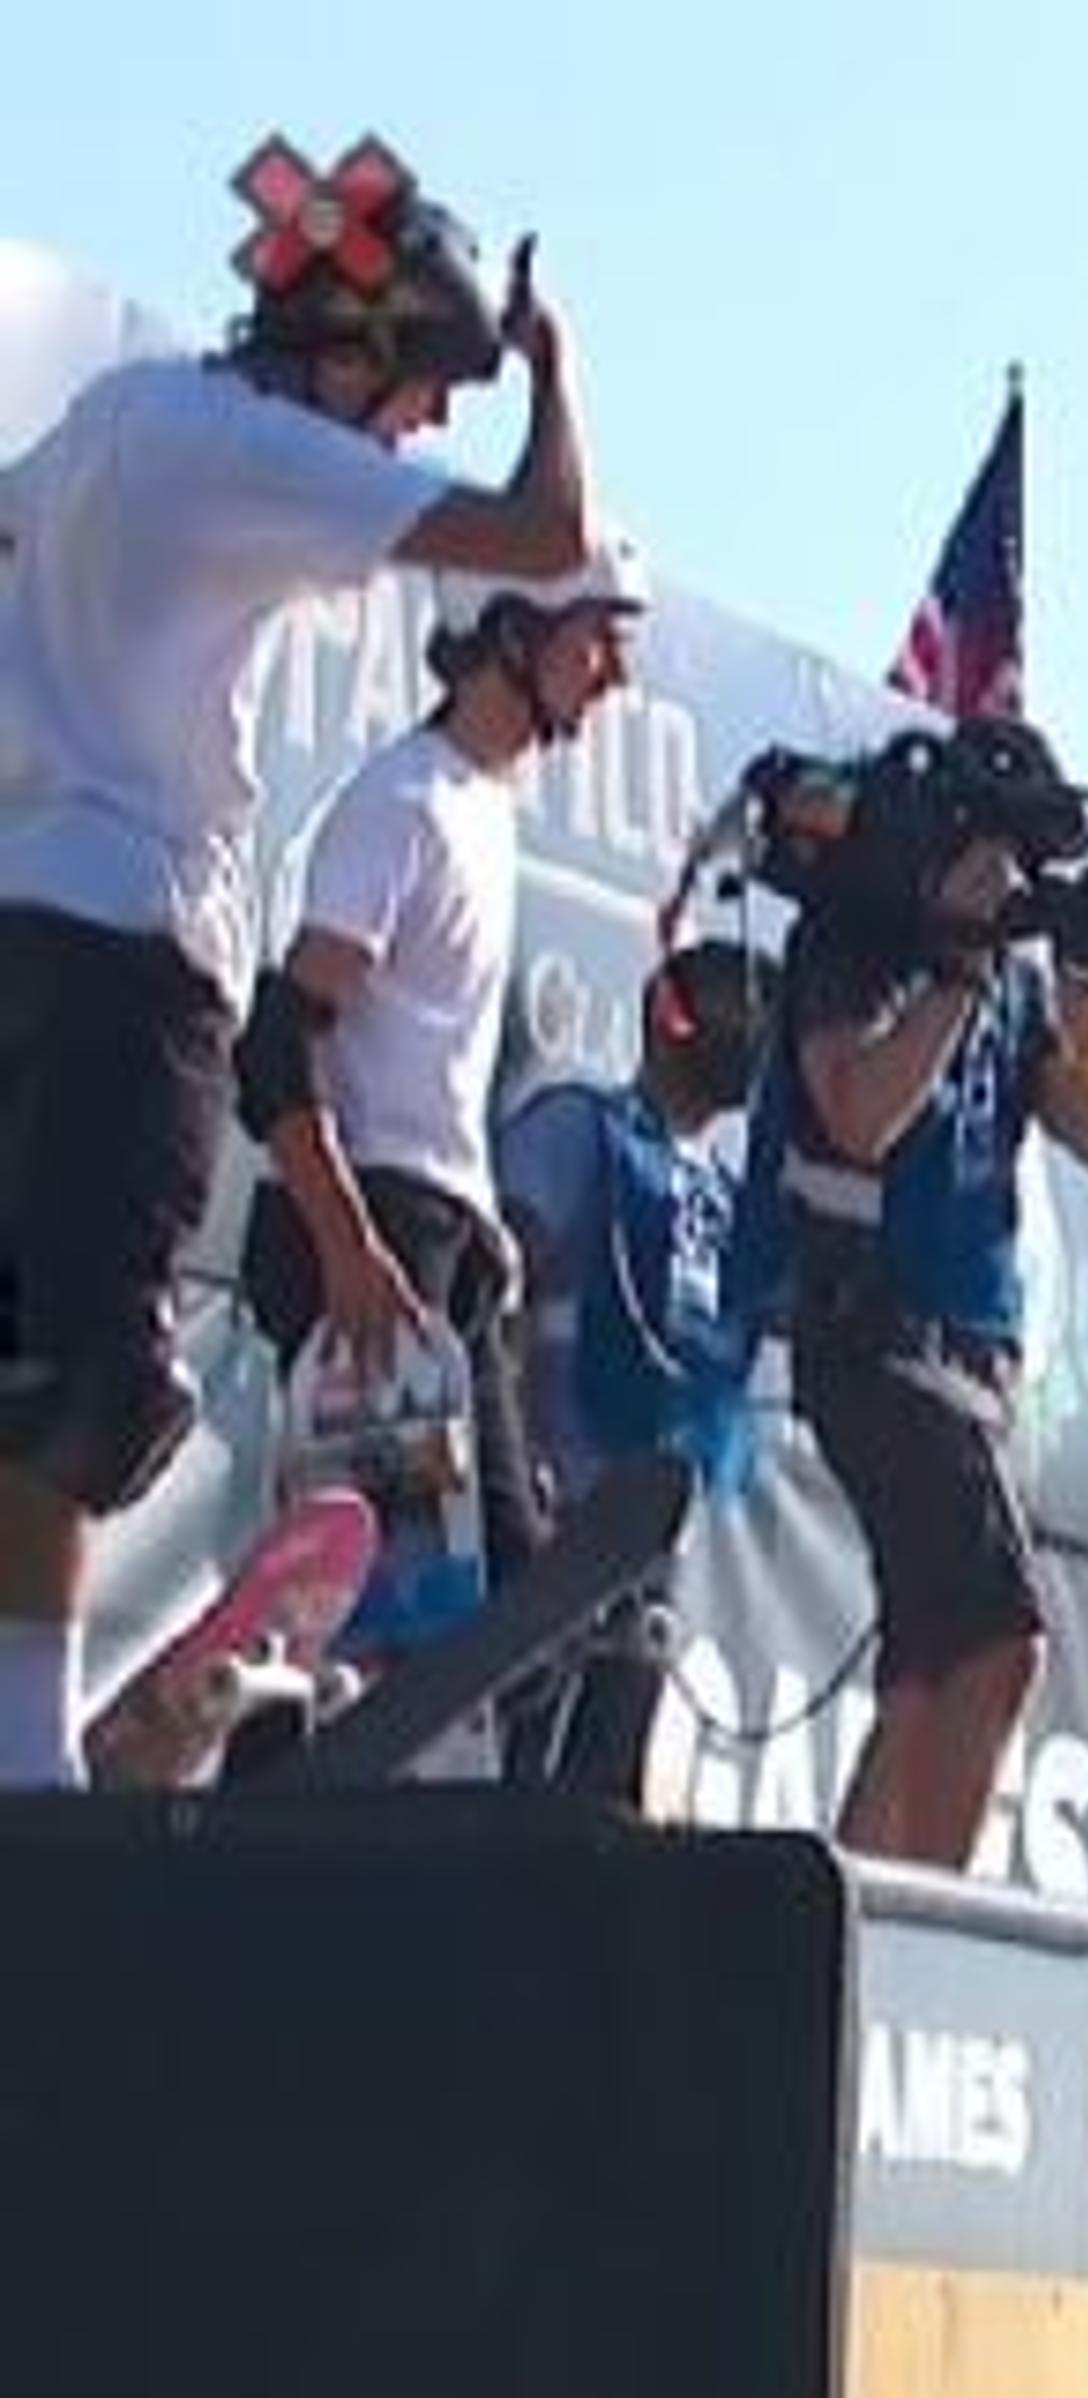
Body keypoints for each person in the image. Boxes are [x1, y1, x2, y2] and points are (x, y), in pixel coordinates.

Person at [0, 136, 594, 1789]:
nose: (413, 433)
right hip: (130, 940)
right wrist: (554, 367)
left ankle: (23, 1736)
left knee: (21, 1359)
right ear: (361, 348)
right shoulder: (253, 443)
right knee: (86, 1376)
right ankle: (39, 1763)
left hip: (13, 922)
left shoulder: (111, 424)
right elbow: (545, 534)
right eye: (417, 395)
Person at [237, 531, 650, 1733]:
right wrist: (344, 1242)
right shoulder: (401, 800)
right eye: (596, 643)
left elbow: (426, 1059)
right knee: (382, 1596)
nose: (610, 678)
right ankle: (280, 1794)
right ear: (513, 635)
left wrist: (479, 1227)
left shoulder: (486, 809)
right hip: (369, 1232)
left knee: (522, 1600)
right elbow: (282, 1036)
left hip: (442, 1234)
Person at [741, 721, 1088, 1867]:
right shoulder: (860, 936)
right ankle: (927, 1929)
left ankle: (854, 1925)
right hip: (877, 1331)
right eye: (1010, 857)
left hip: (973, 1361)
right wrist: (957, 963)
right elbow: (858, 1109)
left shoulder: (1008, 981)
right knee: (1000, 1642)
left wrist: (1087, 1024)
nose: (1022, 886)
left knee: (924, 1671)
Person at [489, 938, 775, 1799]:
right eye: (727, 1009)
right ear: (666, 1014)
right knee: (523, 1739)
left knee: (612, 1756)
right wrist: (515, 1455)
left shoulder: (736, 1201)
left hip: (655, 1528)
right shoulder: (581, 1128)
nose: (747, 1035)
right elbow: (505, 1289)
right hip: (559, 1504)